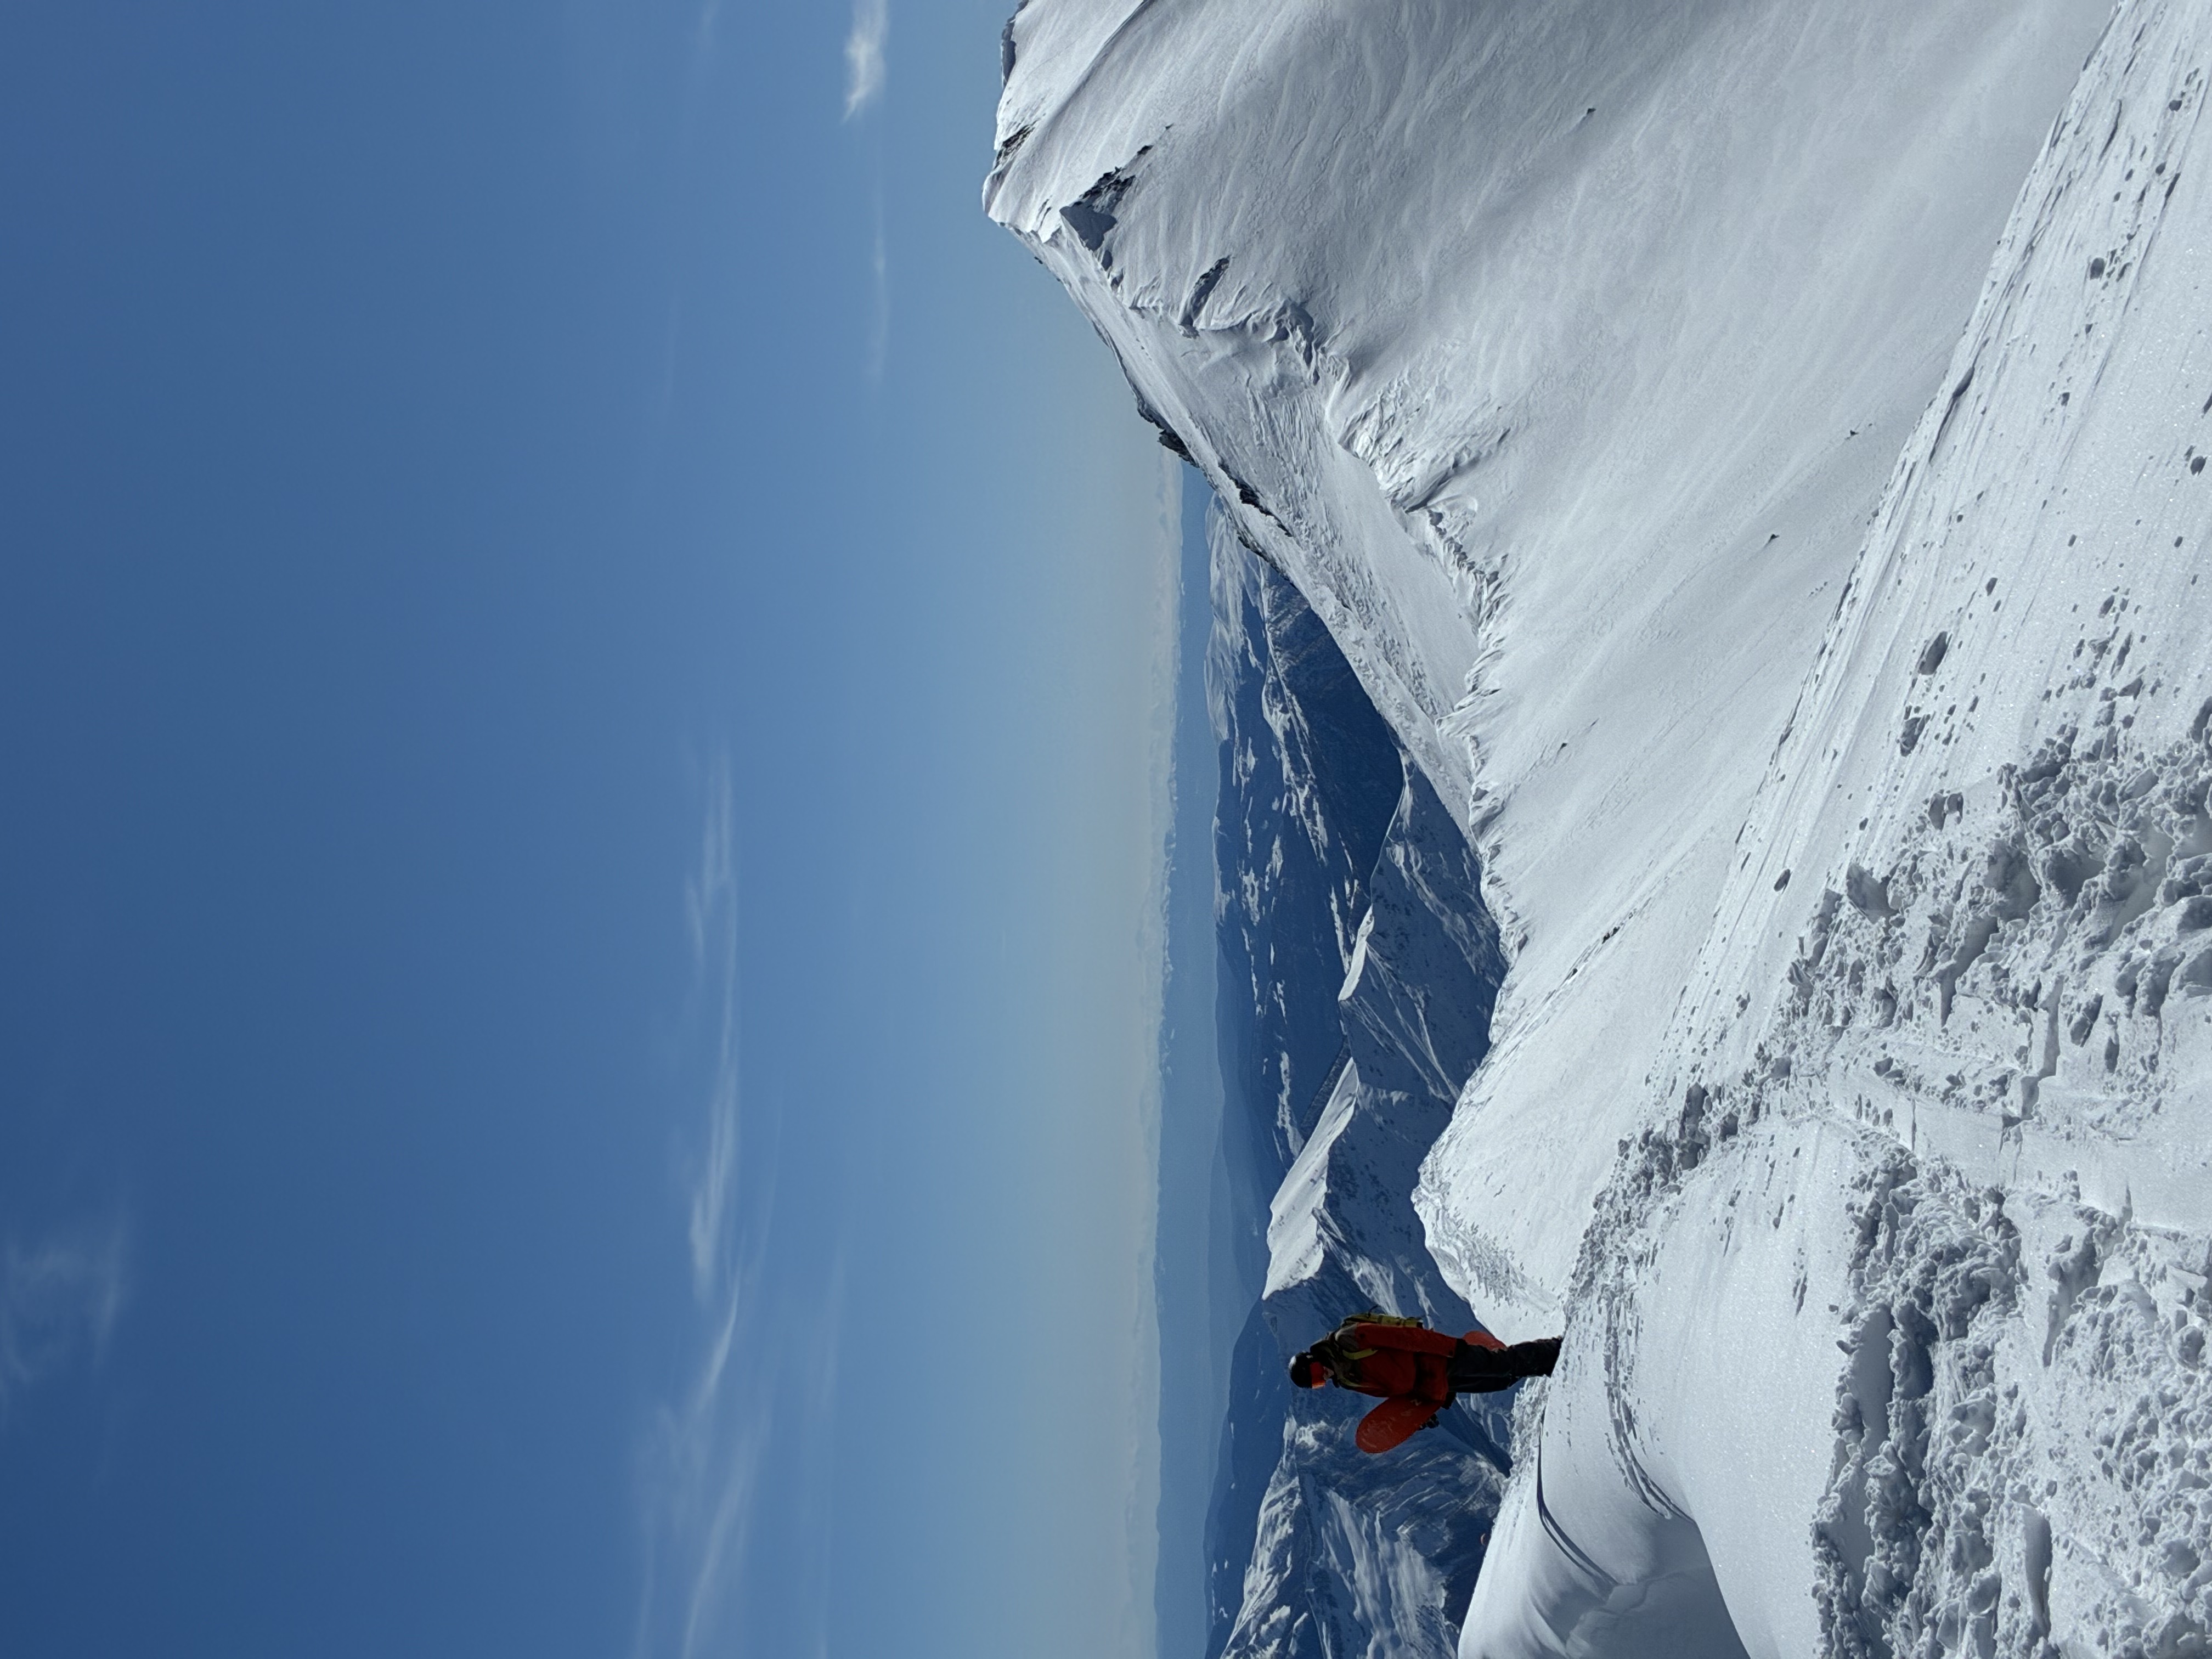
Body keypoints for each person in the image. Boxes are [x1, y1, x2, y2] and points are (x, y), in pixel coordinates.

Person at [1288, 1312, 1562, 1454]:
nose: (1321, 1377)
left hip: (1439, 1360)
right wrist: (1417, 1412)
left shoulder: (1349, 1339)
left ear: (1314, 1358)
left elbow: (1409, 1338)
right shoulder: (1347, 1379)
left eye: (1315, 1372)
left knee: (1502, 1364)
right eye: (1316, 1384)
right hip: (1434, 1384)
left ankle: (1556, 1352)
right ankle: (1551, 1366)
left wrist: (1454, 1347)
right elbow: (1393, 1388)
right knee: (1502, 1381)